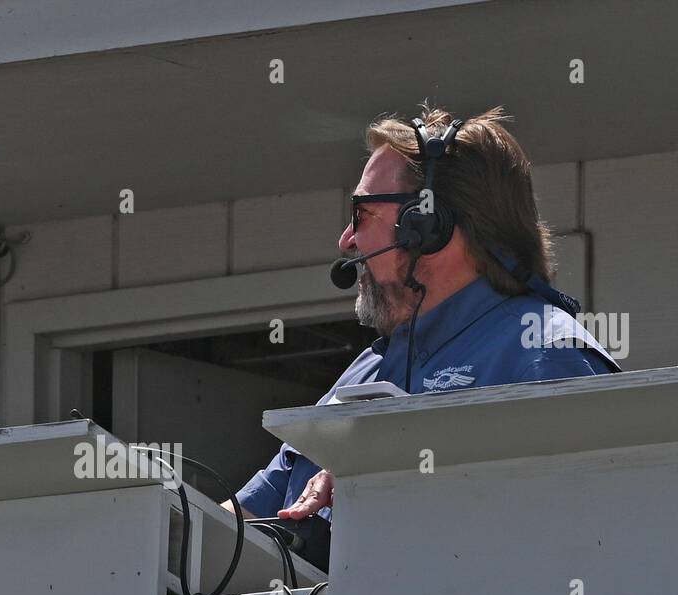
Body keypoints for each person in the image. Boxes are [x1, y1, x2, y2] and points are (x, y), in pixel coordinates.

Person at [230, 105, 619, 523]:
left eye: (361, 214)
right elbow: (240, 525)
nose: (347, 240)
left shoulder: (545, 353)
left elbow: (582, 532)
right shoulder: (366, 371)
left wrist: (387, 485)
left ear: (429, 225)